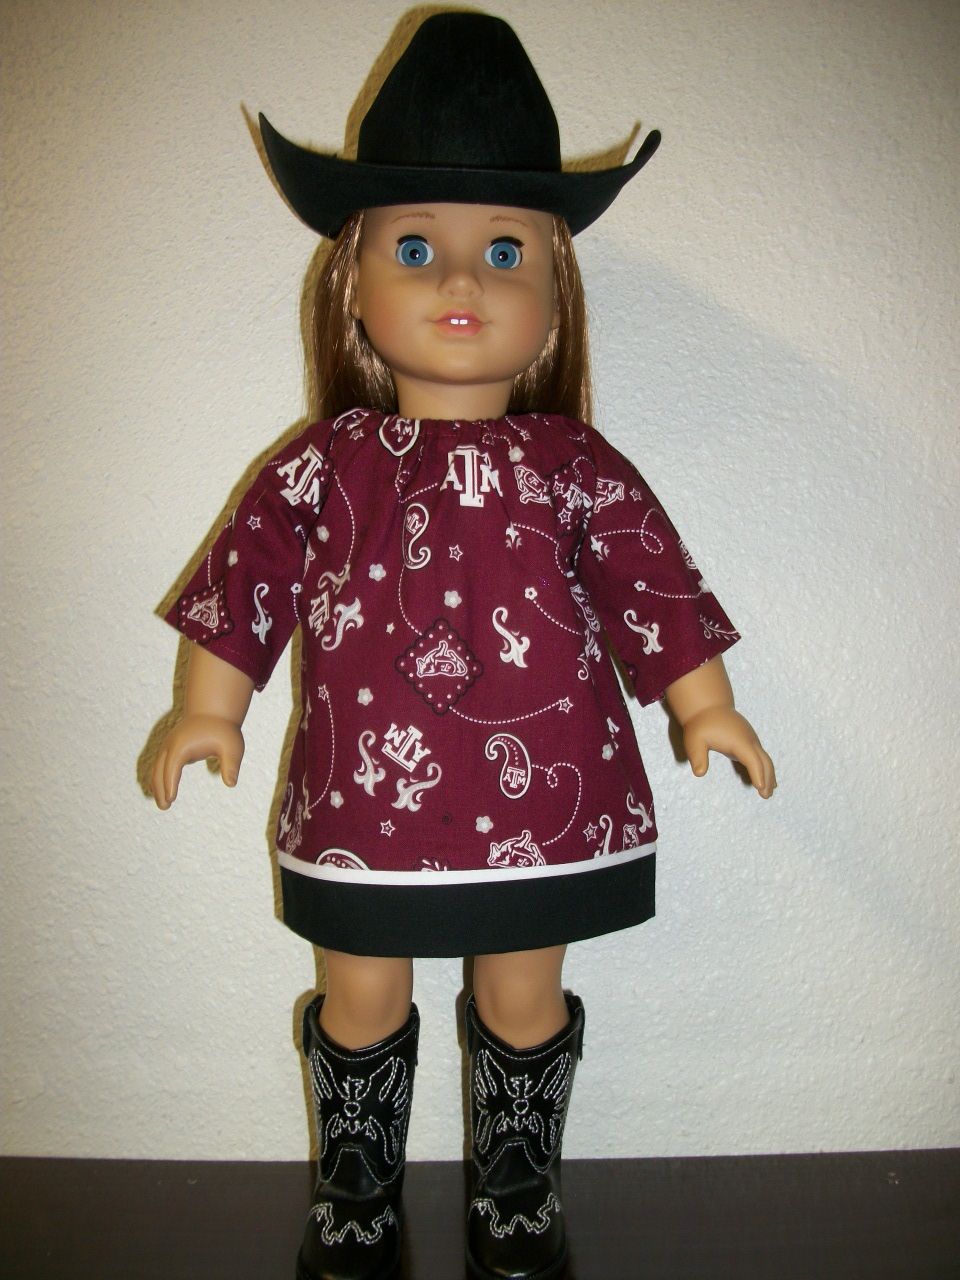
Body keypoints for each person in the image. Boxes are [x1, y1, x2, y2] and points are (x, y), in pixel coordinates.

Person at [151, 13, 776, 1280]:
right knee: (361, 996)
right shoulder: (324, 465)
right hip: (362, 803)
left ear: (553, 293)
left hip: (546, 801)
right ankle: (356, 1197)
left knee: (521, 995)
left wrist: (703, 701)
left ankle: (516, 1190)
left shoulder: (574, 464)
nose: (461, 283)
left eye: (503, 251)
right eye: (415, 248)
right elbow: (247, 581)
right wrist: (206, 706)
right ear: (353, 280)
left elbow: (648, 581)